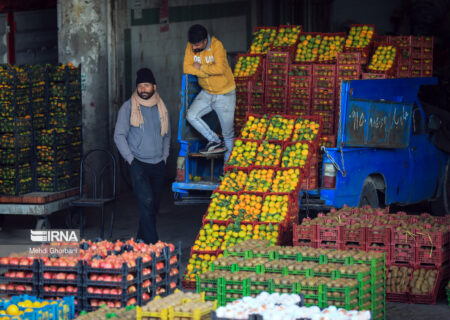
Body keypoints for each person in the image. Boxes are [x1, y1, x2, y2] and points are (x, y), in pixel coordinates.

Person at [114, 68, 170, 244]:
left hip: (158, 163)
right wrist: (130, 159)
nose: (143, 89)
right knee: (146, 201)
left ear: (154, 86)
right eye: (140, 86)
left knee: (152, 206)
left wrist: (165, 156)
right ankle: (154, 244)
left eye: (146, 85)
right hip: (138, 164)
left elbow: (167, 133)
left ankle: (140, 240)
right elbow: (119, 135)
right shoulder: (128, 107)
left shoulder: (161, 107)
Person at [183, 24, 236, 161]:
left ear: (205, 41)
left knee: (228, 134)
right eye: (192, 45)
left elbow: (220, 69)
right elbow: (186, 67)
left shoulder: (217, 46)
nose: (193, 48)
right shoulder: (191, 45)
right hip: (207, 92)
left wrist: (201, 67)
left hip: (225, 94)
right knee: (191, 115)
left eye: (196, 45)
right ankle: (215, 141)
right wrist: (207, 74)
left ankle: (226, 173)